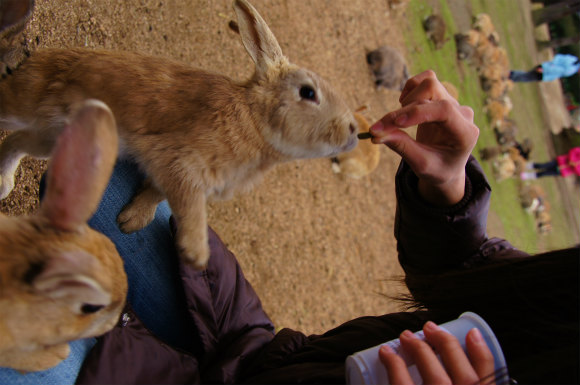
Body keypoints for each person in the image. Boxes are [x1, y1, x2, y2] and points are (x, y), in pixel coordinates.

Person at [1, 70, 578, 385]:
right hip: (257, 360)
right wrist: (449, 191)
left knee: (27, 353)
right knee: (107, 180)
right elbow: (483, 290)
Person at [508, 53, 580, 82]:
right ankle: (507, 76)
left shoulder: (574, 59)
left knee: (525, 75)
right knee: (524, 77)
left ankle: (508, 74)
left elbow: (559, 57)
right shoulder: (572, 69)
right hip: (544, 72)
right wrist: (544, 70)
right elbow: (556, 70)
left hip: (545, 66)